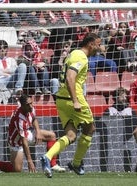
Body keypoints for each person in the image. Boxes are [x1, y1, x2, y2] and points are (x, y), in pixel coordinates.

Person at [40, 33, 99, 178]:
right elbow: (70, 78)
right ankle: (76, 163)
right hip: (72, 98)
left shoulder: (73, 54)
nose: (99, 47)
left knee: (71, 135)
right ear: (91, 44)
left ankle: (47, 157)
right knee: (90, 128)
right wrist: (76, 101)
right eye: (98, 44)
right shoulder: (80, 56)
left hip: (61, 98)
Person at [0, 94, 65, 173]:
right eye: (28, 104)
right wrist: (30, 161)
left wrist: (38, 131)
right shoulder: (20, 118)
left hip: (26, 133)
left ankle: (53, 164)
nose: (31, 106)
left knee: (52, 136)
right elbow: (24, 141)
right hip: (16, 142)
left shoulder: (31, 108)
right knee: (16, 170)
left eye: (31, 103)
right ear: (22, 105)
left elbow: (34, 118)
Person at [0, 40, 27, 104]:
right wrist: (5, 74)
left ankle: (18, 89)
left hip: (10, 79)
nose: (2, 49)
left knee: (22, 66)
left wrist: (5, 71)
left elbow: (15, 69)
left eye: (4, 48)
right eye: (0, 47)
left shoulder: (11, 60)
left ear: (7, 49)